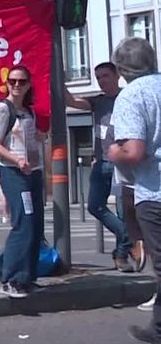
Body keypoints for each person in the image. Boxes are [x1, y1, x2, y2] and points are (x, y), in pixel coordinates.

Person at [106, 37, 161, 344]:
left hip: (154, 192)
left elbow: (134, 151)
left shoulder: (132, 95)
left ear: (124, 70)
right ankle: (157, 329)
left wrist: (114, 150)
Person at [64, 62, 134, 271]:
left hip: (124, 162)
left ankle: (121, 255)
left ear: (117, 76)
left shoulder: (128, 97)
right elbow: (71, 101)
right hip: (102, 161)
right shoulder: (98, 101)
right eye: (98, 77)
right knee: (95, 205)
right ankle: (129, 238)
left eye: (105, 76)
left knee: (125, 210)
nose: (101, 81)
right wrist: (58, 75)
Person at [0, 66, 47, 299]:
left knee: (35, 225)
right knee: (23, 223)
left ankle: (27, 277)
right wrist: (16, 159)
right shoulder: (3, 109)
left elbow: (32, 139)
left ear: (28, 84)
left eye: (21, 81)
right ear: (6, 83)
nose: (16, 85)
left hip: (34, 172)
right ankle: (10, 279)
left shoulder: (28, 111)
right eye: (12, 81)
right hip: (15, 173)